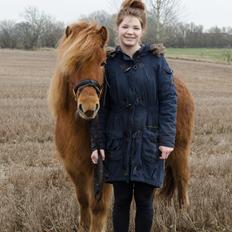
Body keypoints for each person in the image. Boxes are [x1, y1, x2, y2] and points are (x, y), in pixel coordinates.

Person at [90, 0, 177, 231]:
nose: (130, 32)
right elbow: (101, 108)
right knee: (120, 201)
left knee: (145, 201)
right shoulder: (108, 63)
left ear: (142, 31)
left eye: (136, 27)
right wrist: (97, 143)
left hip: (148, 143)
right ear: (118, 28)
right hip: (118, 143)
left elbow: (169, 101)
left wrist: (167, 140)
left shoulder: (157, 61)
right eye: (126, 26)